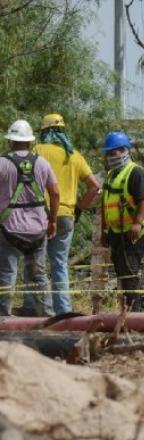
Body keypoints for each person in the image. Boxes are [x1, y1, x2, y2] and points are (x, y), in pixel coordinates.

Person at [21, 113, 100, 315]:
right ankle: (63, 311)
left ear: (44, 132)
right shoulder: (74, 156)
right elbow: (94, 186)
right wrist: (79, 208)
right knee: (60, 264)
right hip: (66, 216)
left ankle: (32, 307)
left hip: (40, 215)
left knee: (34, 262)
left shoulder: (37, 151)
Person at [0, 120, 59, 316]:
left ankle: (3, 318)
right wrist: (53, 221)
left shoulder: (2, 163)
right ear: (30, 142)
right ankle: (46, 315)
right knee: (38, 274)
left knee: (7, 274)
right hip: (37, 230)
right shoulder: (42, 163)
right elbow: (56, 193)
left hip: (9, 229)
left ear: (11, 141)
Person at [101, 131, 144, 311]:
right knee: (122, 274)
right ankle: (128, 312)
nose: (111, 156)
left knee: (130, 274)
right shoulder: (110, 176)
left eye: (115, 152)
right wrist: (105, 230)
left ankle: (136, 315)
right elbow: (106, 205)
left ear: (125, 151)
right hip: (117, 234)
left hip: (134, 234)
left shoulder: (136, 173)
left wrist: (137, 223)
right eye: (109, 153)